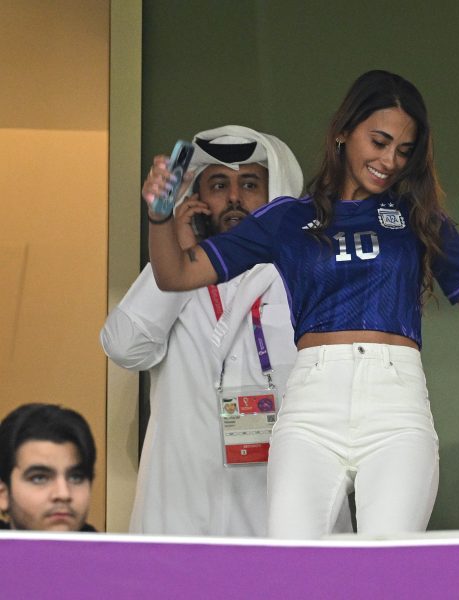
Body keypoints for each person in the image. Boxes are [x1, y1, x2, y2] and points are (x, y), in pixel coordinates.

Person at [142, 71, 459, 539]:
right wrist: (160, 217)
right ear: (343, 131)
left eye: (403, 151)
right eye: (379, 142)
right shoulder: (287, 218)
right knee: (294, 565)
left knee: (389, 567)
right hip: (310, 409)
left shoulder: (419, 219)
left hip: (396, 410)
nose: (389, 161)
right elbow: (175, 275)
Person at [101, 125, 352, 536]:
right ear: (196, 199)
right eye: (219, 185)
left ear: (276, 193)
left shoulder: (312, 273)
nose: (234, 197)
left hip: (284, 507)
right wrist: (177, 251)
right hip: (185, 511)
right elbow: (124, 347)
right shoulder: (176, 279)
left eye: (250, 184)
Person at [0, 403, 96, 532]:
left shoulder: (112, 546)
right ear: (3, 495)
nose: (63, 494)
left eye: (76, 478)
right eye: (39, 478)